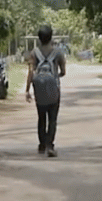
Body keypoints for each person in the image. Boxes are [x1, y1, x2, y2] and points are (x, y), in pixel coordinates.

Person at [25, 24, 67, 157]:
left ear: (39, 38)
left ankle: (42, 144)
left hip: (39, 90)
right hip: (54, 89)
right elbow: (63, 71)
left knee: (41, 117)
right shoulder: (58, 52)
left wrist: (27, 90)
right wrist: (57, 76)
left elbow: (31, 71)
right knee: (52, 118)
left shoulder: (34, 53)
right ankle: (50, 145)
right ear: (51, 37)